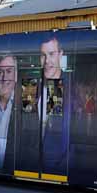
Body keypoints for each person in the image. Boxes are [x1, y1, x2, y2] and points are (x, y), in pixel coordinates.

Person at [39, 35, 72, 177]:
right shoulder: (32, 86)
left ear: (61, 54)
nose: (47, 61)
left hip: (57, 167)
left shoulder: (61, 87)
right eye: (43, 55)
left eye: (51, 54)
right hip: (34, 165)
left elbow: (57, 133)